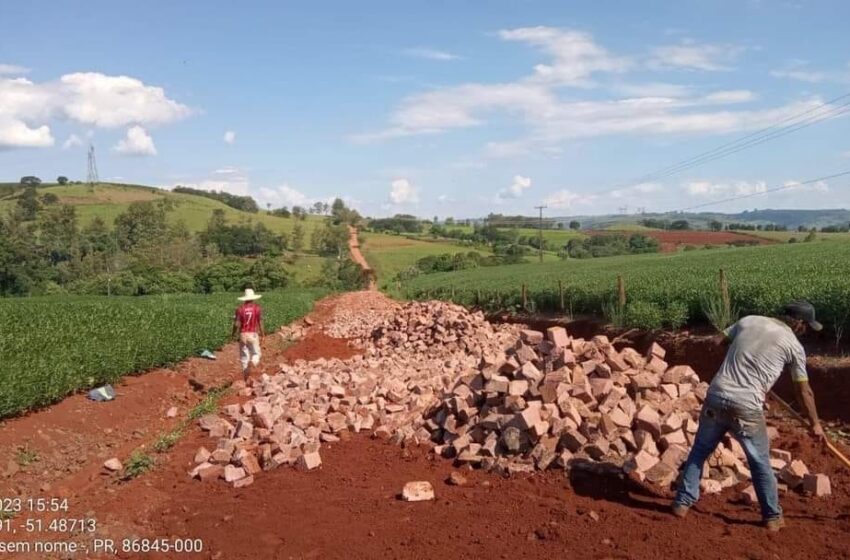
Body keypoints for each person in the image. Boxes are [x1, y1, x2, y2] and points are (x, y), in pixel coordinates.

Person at [671, 301, 825, 531]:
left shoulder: (749, 320)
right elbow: (803, 390)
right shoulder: (793, 346)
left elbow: (718, 342)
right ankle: (772, 517)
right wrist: (815, 424)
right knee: (759, 461)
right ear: (800, 324)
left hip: (716, 394)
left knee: (700, 450)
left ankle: (682, 503)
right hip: (746, 406)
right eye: (807, 326)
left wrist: (741, 361)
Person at [232, 288, 265, 381]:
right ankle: (253, 362)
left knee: (244, 357)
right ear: (253, 298)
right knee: (256, 354)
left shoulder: (239, 309)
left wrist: (233, 334)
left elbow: (236, 324)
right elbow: (260, 322)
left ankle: (246, 378)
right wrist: (263, 334)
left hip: (243, 334)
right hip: (253, 333)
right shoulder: (257, 308)